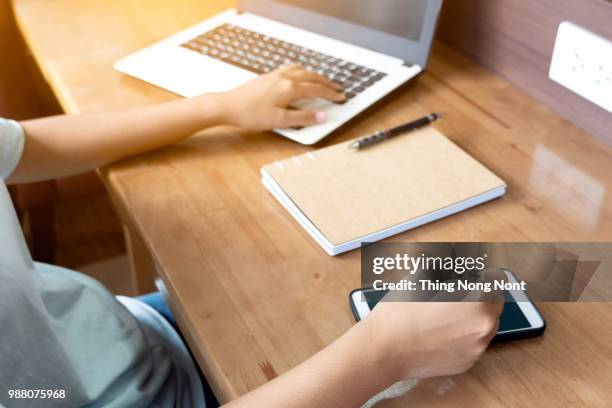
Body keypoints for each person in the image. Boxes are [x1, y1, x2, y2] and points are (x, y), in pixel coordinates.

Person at [0, 65, 503, 407]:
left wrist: (218, 107)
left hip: (130, 334)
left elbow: (22, 147)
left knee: (510, 271)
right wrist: (387, 353)